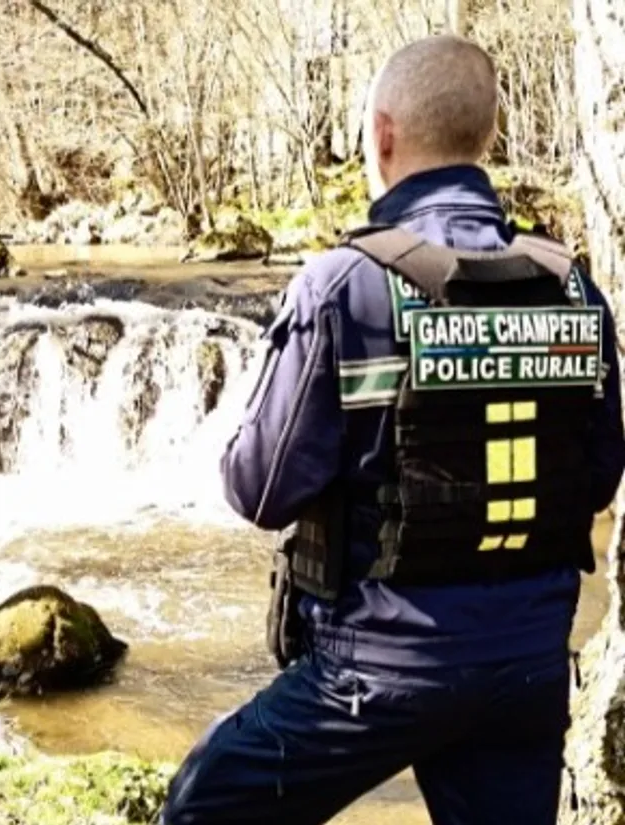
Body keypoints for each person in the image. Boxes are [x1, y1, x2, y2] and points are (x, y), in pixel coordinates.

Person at [160, 34, 625, 825]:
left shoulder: (342, 284)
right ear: (487, 137)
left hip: (372, 676)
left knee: (205, 802)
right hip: (527, 668)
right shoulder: (573, 289)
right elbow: (600, 476)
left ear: (382, 134)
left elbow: (260, 488)